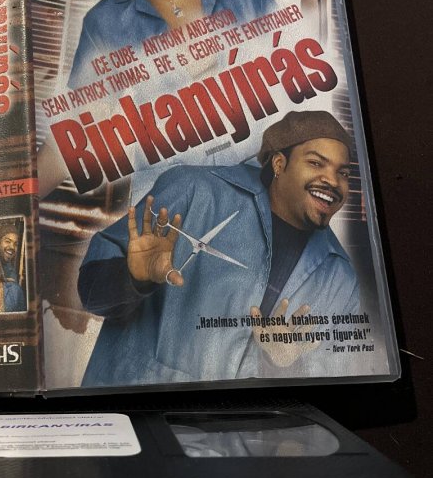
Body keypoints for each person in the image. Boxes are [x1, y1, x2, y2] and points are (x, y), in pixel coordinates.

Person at [38, 0, 326, 196]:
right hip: (168, 203)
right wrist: (17, 199)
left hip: (259, 190)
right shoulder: (104, 23)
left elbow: (300, 73)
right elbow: (75, 134)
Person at [77, 110, 360, 387]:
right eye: (316, 163)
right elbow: (90, 296)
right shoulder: (192, 190)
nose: (333, 182)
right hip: (136, 409)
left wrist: (281, 364)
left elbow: (327, 386)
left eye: (343, 173)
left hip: (234, 419)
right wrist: (133, 278)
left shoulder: (342, 280)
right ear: (278, 164)